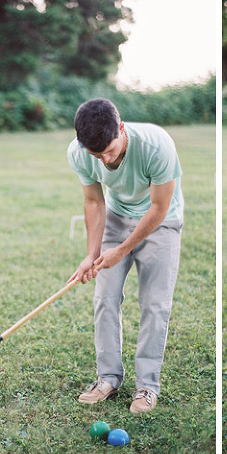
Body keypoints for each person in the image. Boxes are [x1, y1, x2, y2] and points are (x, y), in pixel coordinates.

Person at [67, 98, 184, 414]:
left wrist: (121, 250)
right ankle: (107, 378)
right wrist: (92, 254)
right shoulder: (79, 153)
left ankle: (146, 386)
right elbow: (94, 202)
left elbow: (159, 207)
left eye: (109, 150)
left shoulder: (157, 145)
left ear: (121, 128)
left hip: (162, 221)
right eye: (96, 154)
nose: (105, 159)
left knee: (155, 304)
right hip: (117, 219)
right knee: (104, 298)